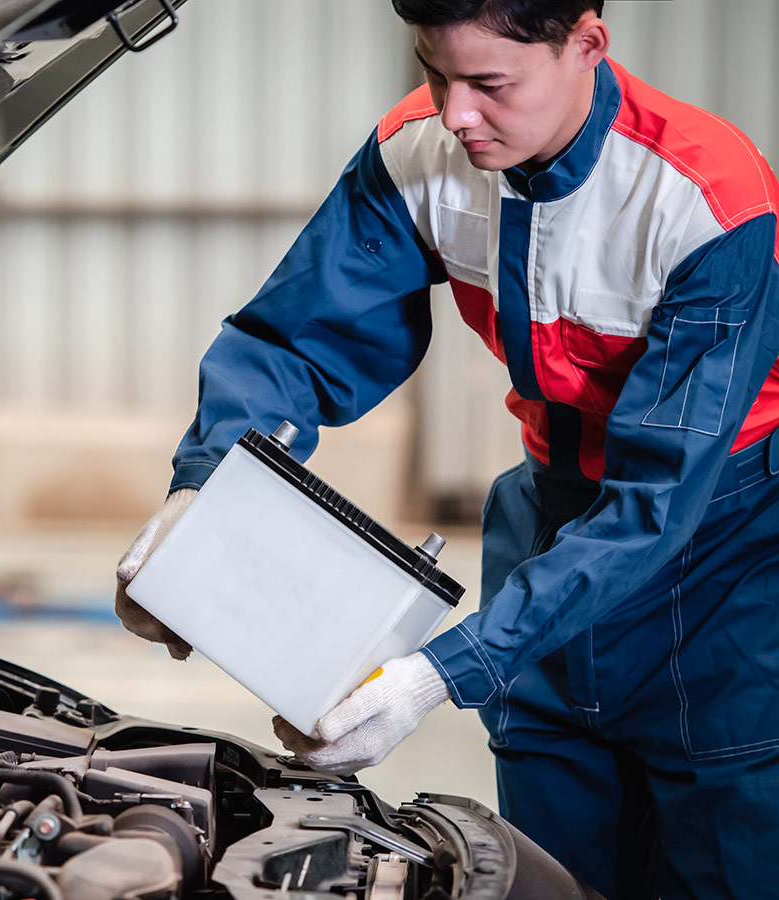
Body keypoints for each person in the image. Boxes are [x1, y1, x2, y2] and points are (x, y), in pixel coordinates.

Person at [113, 1, 779, 897]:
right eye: (436, 72)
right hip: (548, 517)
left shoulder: (705, 200)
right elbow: (293, 342)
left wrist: (436, 674)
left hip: (723, 563)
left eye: (491, 84)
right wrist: (203, 494)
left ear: (587, 43)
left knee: (726, 861)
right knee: (550, 871)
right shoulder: (418, 151)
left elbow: (658, 501)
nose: (456, 113)